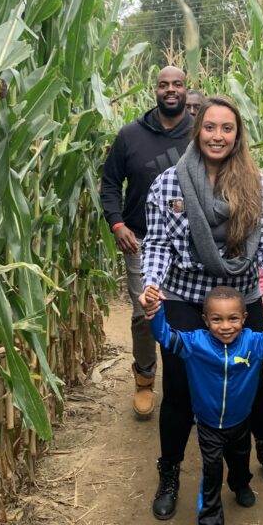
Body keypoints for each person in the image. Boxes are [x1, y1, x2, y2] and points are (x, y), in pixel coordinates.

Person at [139, 94, 263, 520]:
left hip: (241, 295)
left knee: (254, 380)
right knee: (177, 388)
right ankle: (170, 472)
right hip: (186, 297)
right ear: (198, 130)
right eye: (209, 127)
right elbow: (156, 242)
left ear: (237, 134)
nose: (217, 136)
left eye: (226, 128)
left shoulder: (256, 182)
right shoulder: (169, 184)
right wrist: (152, 285)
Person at [144, 283, 263, 525]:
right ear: (205, 320)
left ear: (244, 318)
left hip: (241, 423)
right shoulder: (194, 344)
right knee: (212, 475)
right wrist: (155, 310)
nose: (225, 326)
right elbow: (164, 335)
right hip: (208, 427)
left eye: (233, 318)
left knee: (240, 461)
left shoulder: (254, 343)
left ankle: (240, 485)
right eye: (217, 319)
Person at [99, 66, 191, 420]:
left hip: (187, 241)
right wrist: (117, 223)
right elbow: (109, 184)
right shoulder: (130, 135)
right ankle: (145, 376)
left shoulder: (198, 134)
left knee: (186, 313)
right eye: (164, 85)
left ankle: (185, 383)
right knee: (144, 313)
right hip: (139, 238)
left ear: (186, 89)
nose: (171, 90)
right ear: (154, 90)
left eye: (177, 85)